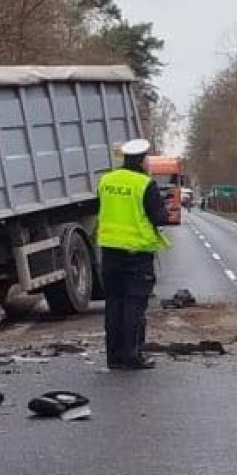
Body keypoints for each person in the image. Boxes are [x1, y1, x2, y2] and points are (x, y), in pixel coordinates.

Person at [96, 138, 170, 370]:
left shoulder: (105, 180)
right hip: (137, 254)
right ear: (143, 160)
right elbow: (160, 217)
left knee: (114, 305)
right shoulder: (144, 184)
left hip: (109, 252)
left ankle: (114, 357)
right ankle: (132, 355)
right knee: (134, 305)